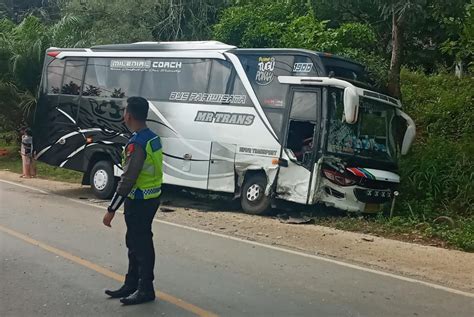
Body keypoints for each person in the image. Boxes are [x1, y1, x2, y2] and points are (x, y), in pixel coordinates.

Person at [103, 97, 163, 306]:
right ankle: (132, 283)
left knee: (141, 244)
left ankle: (145, 288)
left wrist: (111, 209)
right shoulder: (152, 138)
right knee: (135, 242)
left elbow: (128, 179)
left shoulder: (137, 143)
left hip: (139, 200)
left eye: (124, 111)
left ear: (128, 115)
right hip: (151, 197)